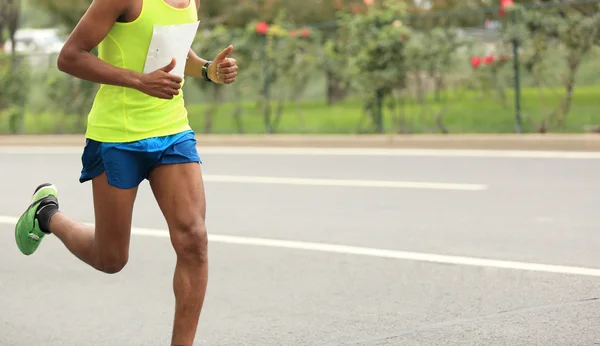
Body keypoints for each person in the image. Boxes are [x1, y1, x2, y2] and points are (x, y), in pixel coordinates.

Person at [13, 0, 238, 345]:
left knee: (194, 240)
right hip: (117, 137)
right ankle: (46, 215)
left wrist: (207, 69)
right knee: (111, 258)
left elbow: (167, 49)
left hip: (172, 131)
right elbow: (70, 56)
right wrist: (137, 81)